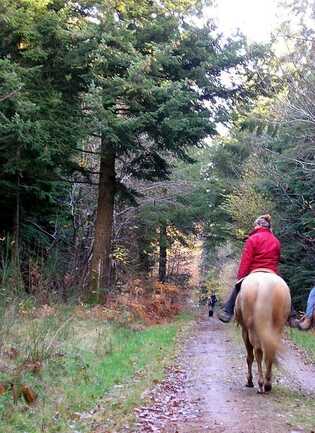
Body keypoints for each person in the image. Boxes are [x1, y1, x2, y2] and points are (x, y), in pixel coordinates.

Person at [218, 214, 281, 323]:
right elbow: (276, 259)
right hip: (271, 272)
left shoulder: (252, 239)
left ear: (258, 226)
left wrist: (240, 278)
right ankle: (292, 316)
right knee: (284, 288)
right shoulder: (276, 241)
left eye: (255, 226)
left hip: (254, 271)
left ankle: (228, 312)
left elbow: (246, 261)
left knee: (238, 287)